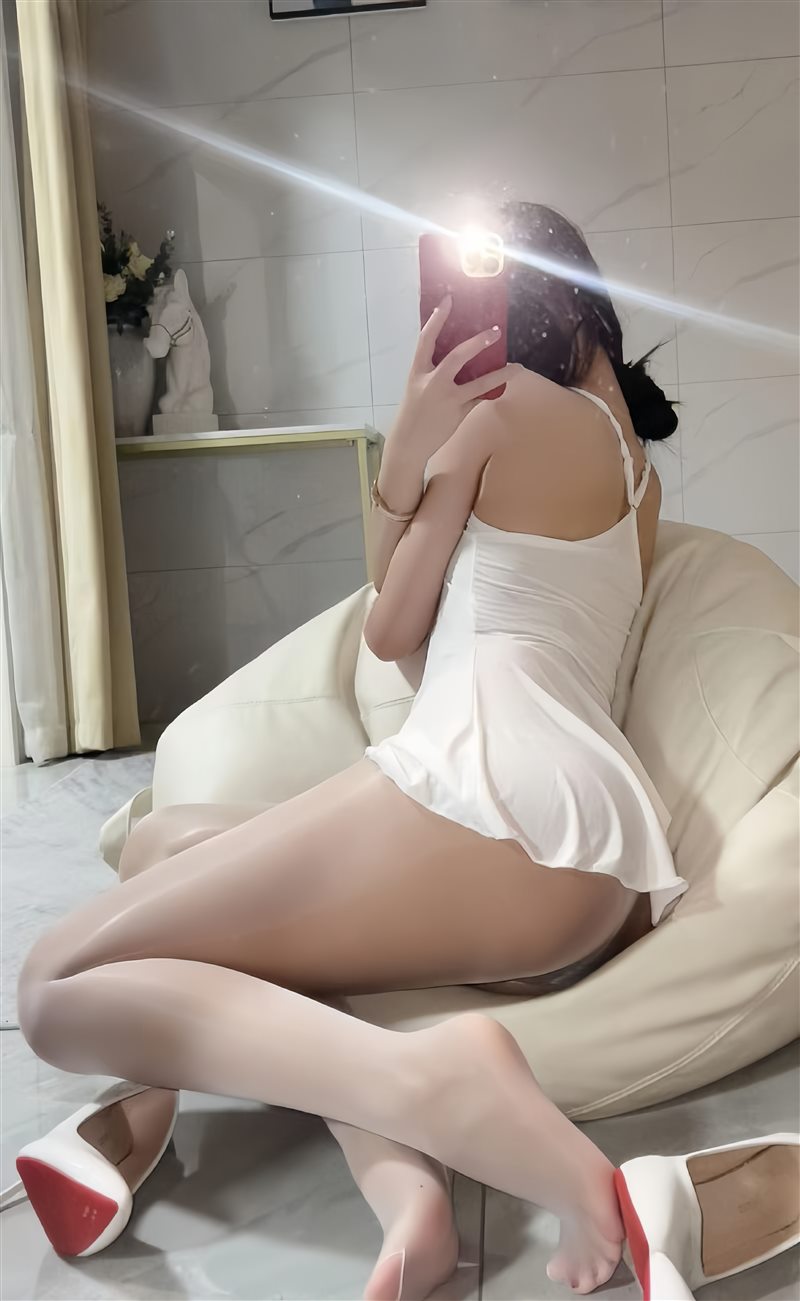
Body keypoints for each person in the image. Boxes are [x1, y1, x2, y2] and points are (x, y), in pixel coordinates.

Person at [16, 203, 686, 1301]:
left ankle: (428, 1079)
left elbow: (389, 627)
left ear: (534, 307)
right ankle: (405, 1199)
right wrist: (429, 454)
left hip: (490, 801)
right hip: (584, 860)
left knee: (51, 988)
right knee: (161, 844)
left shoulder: (506, 406)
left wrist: (410, 446)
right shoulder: (638, 480)